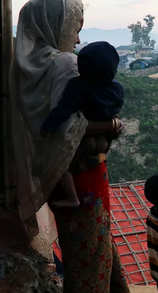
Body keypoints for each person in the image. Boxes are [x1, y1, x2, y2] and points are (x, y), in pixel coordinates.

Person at [11, 0, 136, 293]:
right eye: (75, 30)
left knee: (97, 253)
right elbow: (70, 129)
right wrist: (113, 123)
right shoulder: (64, 64)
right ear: (57, 26)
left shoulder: (29, 64)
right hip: (82, 177)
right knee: (88, 260)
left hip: (64, 176)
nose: (77, 40)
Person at [40, 41, 124, 208]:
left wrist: (49, 125)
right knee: (97, 144)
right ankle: (87, 162)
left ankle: (72, 197)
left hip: (84, 139)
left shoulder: (78, 85)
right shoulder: (117, 88)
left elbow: (65, 107)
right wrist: (111, 124)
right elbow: (117, 109)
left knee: (63, 168)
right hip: (102, 139)